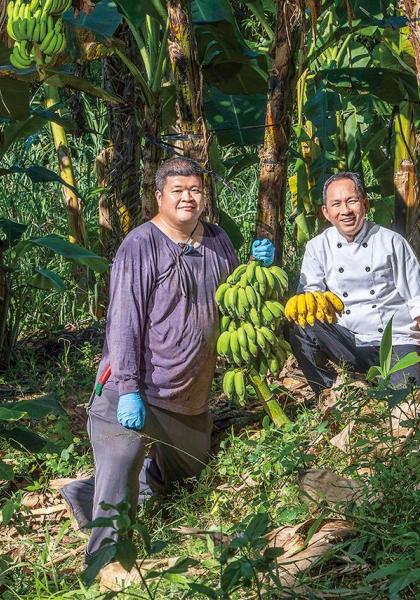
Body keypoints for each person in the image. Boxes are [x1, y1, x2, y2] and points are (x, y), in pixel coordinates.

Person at [60, 158, 275, 564]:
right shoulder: (140, 245)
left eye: (195, 190)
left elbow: (234, 297)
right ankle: (106, 562)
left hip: (188, 396)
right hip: (131, 390)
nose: (187, 198)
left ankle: (84, 490)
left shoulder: (217, 240)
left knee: (186, 481)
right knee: (121, 461)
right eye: (178, 191)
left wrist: (256, 268)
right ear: (159, 197)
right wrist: (127, 389)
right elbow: (122, 324)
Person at [289, 171, 420, 396]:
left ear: (365, 204)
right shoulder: (317, 247)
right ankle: (326, 395)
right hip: (349, 342)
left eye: (351, 201)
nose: (345, 211)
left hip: (396, 342)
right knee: (299, 326)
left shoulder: (391, 242)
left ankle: (396, 377)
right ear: (326, 212)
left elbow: (418, 300)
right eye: (336, 204)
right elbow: (310, 298)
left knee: (401, 398)